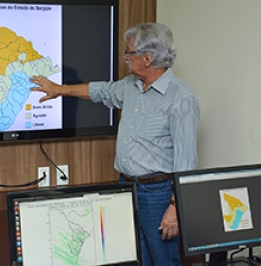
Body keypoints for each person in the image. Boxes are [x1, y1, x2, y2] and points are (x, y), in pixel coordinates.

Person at [30, 23, 200, 266]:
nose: (125, 57)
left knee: (164, 260)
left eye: (129, 52)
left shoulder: (181, 98)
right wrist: (60, 90)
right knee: (133, 257)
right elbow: (101, 91)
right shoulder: (131, 86)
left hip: (158, 195)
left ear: (147, 58)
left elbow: (186, 162)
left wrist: (175, 208)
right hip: (126, 188)